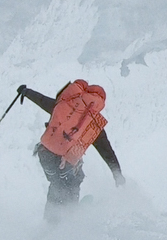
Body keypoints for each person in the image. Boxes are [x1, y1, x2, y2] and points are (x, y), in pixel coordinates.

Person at [17, 81, 123, 217]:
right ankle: (70, 215)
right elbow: (107, 152)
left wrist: (26, 92)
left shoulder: (65, 104)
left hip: (45, 154)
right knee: (73, 180)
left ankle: (50, 218)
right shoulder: (94, 123)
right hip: (66, 164)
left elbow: (42, 100)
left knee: (56, 184)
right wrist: (117, 174)